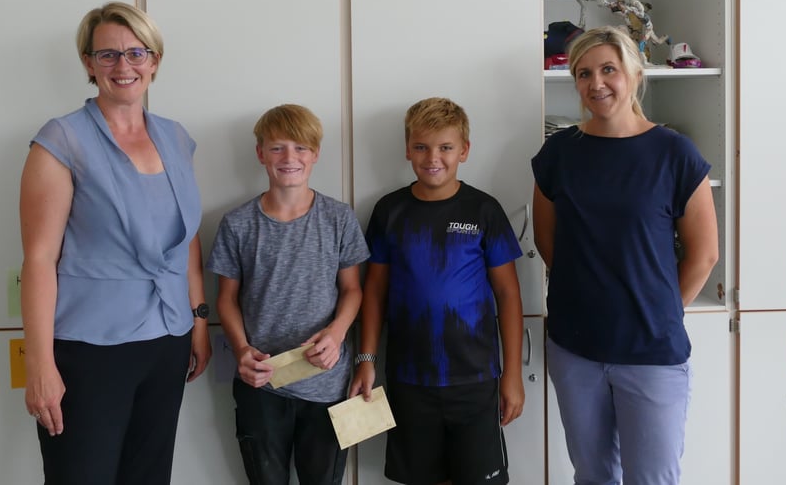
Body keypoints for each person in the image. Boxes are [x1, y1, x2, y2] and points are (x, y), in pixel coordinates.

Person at [19, 1, 211, 485]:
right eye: (107, 54)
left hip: (168, 339)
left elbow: (186, 239)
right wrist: (38, 364)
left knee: (149, 476)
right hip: (90, 348)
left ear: (155, 61)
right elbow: (39, 258)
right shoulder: (61, 140)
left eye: (136, 52)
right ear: (88, 63)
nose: (123, 65)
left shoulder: (176, 137)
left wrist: (199, 319)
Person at [531, 26, 719, 485]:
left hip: (651, 352)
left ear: (635, 74)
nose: (596, 83)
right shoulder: (559, 153)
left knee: (651, 478)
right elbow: (548, 242)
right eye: (583, 73)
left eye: (608, 70)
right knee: (592, 475)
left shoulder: (674, 153)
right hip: (575, 349)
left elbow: (704, 255)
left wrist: (659, 313)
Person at [350, 97, 525, 485]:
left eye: (445, 147)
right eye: (421, 147)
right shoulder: (389, 211)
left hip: (475, 379)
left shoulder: (484, 210)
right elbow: (374, 292)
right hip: (410, 379)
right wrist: (366, 358)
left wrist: (512, 374)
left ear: (464, 150)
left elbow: (509, 295)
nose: (433, 158)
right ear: (407, 149)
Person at [207, 104, 369, 485]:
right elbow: (226, 299)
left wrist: (336, 334)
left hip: (328, 383)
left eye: (300, 148)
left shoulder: (339, 218)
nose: (289, 158)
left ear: (316, 154)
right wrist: (241, 350)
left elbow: (352, 290)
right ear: (260, 154)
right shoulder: (237, 224)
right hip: (261, 384)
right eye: (277, 148)